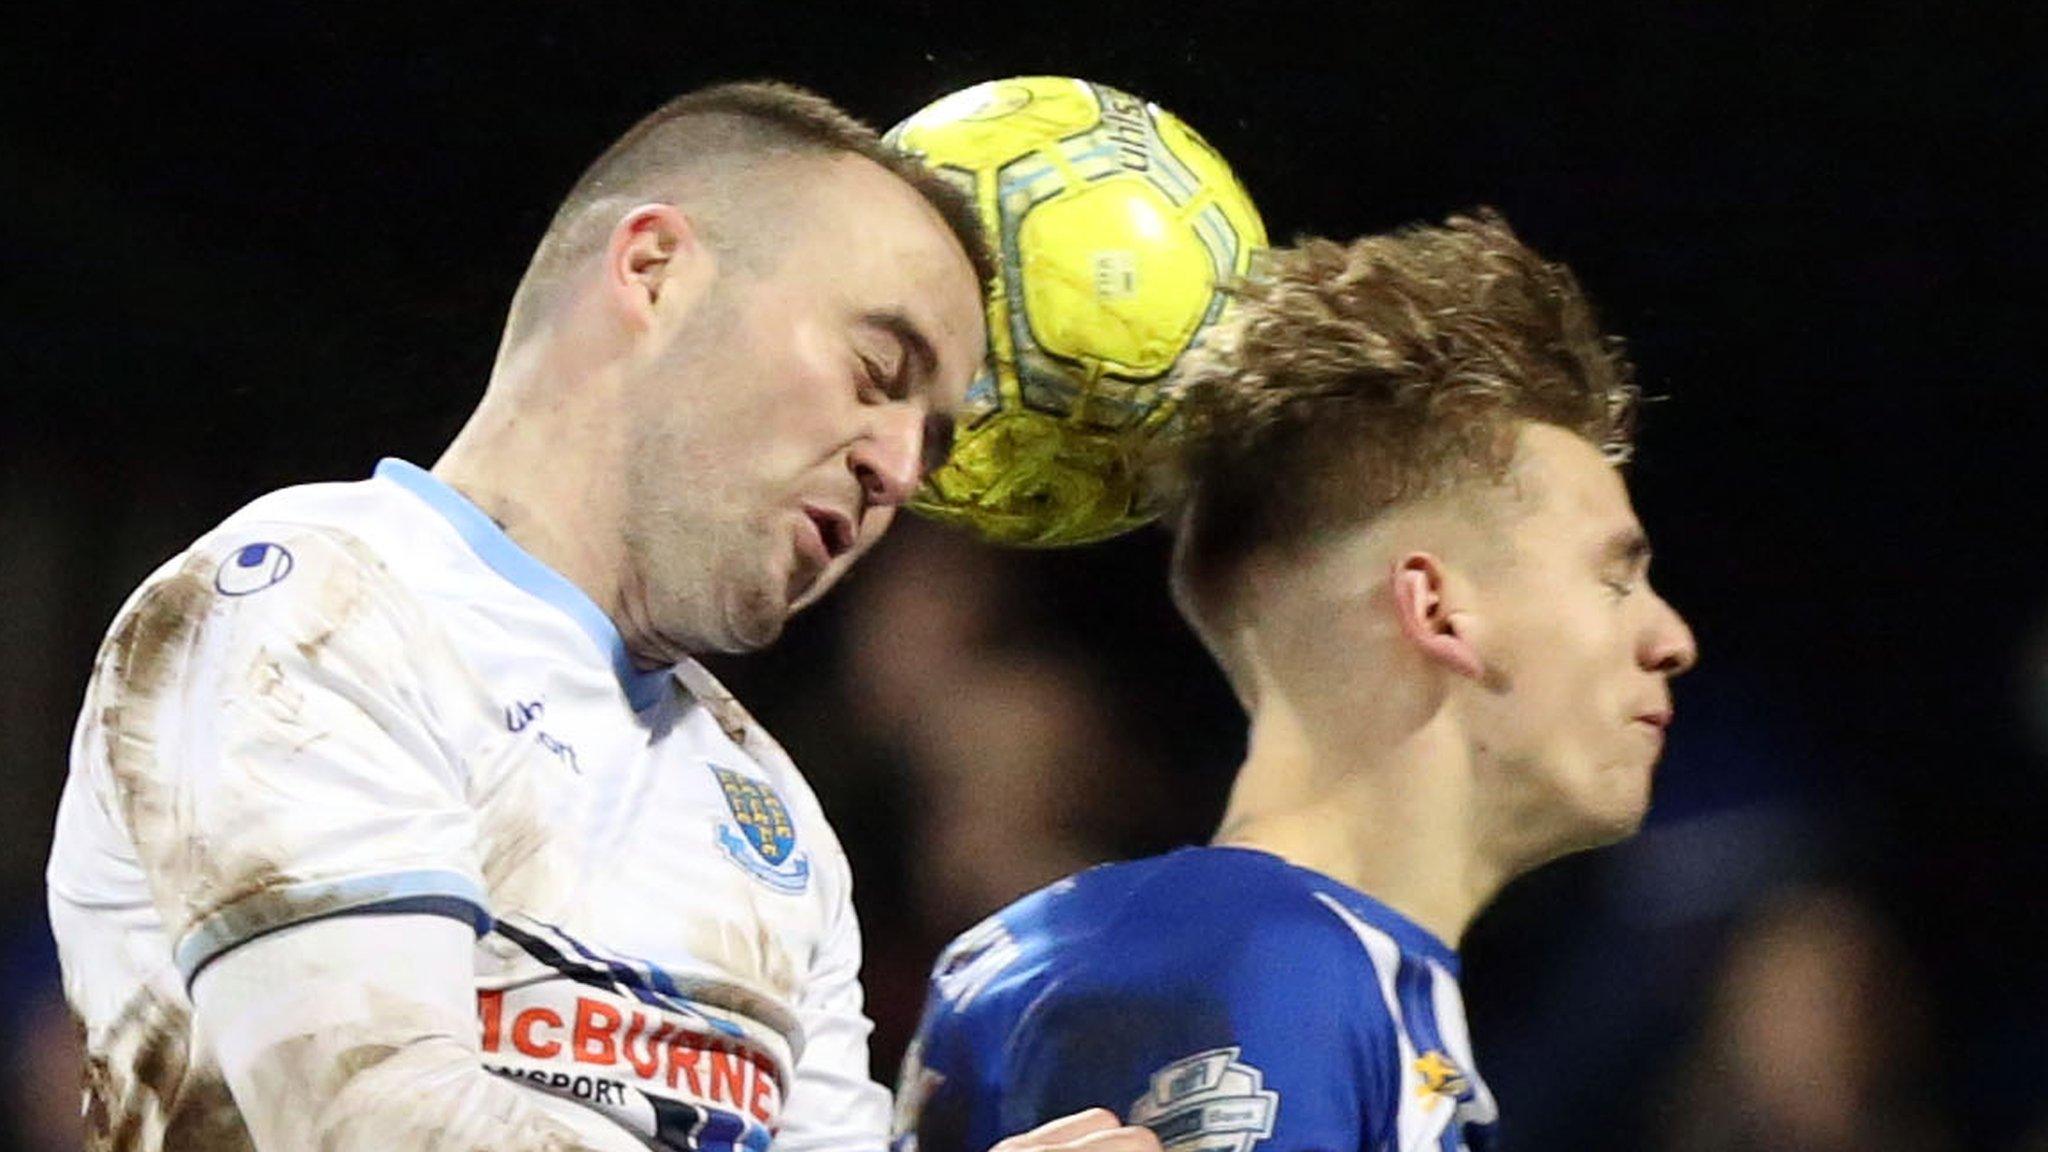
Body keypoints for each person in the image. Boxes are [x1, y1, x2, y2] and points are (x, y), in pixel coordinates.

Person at [45, 81, 1158, 1152]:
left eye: (932, 438)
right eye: (876, 369)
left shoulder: (770, 809)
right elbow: (381, 1126)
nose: (899, 469)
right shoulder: (311, 599)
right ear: (654, 268)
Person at [893, 211, 1699, 1152]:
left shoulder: (1334, 975)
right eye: (1613, 577)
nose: (1671, 637)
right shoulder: (1245, 963)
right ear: (1437, 610)